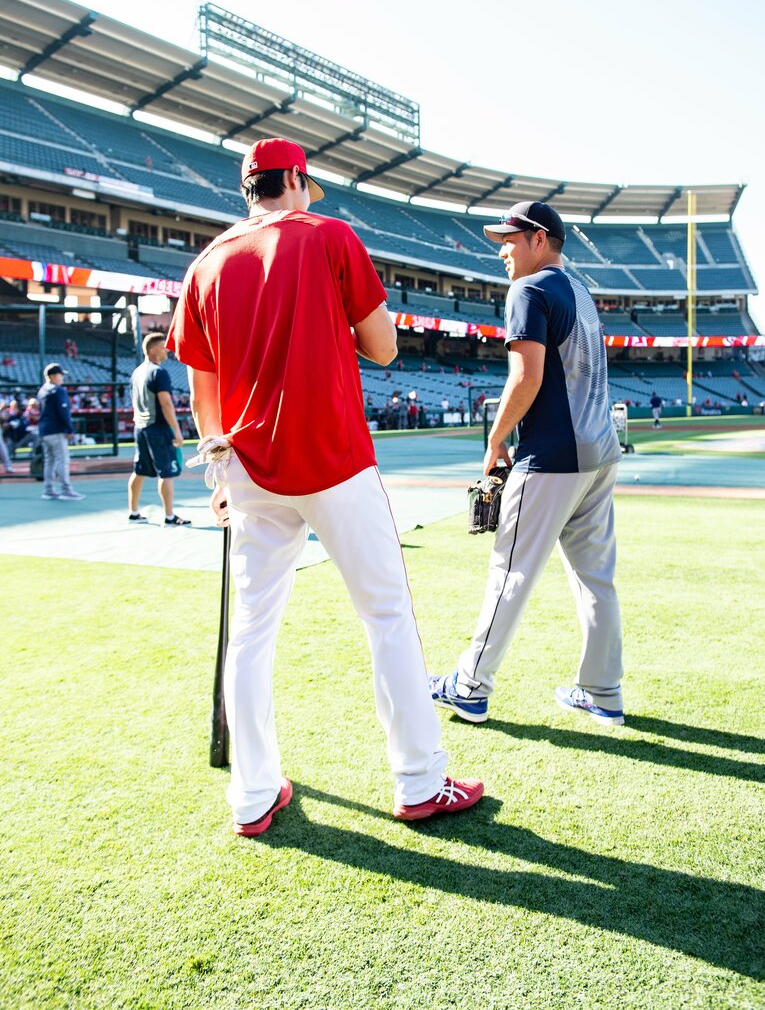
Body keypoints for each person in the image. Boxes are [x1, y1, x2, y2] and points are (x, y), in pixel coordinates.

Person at [166, 136, 483, 836]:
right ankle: (419, 781)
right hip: (334, 457)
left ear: (248, 189)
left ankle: (252, 795)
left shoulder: (206, 260)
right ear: (295, 178)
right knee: (386, 615)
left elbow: (202, 395)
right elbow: (385, 347)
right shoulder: (330, 235)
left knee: (251, 632)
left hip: (248, 466)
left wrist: (220, 472)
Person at [430, 201, 625, 727]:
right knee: (596, 579)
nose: (501, 251)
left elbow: (526, 377)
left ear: (539, 239)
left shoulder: (529, 289)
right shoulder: (580, 291)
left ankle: (469, 687)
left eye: (509, 239)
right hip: (600, 454)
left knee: (509, 571)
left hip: (554, 457)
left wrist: (496, 441)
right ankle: (604, 692)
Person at [127, 333, 189, 526]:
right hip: (158, 428)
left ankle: (133, 512)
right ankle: (169, 517)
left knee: (139, 470)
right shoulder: (158, 372)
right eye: (163, 346)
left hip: (141, 427)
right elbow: (166, 403)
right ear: (152, 349)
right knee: (166, 473)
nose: (167, 350)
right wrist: (177, 430)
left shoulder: (137, 372)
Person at [37, 363, 85, 501]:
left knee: (49, 461)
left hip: (44, 430)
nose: (62, 377)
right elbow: (63, 412)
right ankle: (66, 490)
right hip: (56, 430)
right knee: (62, 461)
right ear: (52, 376)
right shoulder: (58, 390)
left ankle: (48, 490)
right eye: (60, 375)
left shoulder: (42, 390)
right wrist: (69, 429)